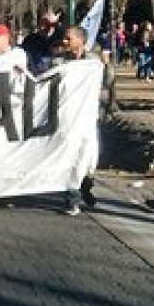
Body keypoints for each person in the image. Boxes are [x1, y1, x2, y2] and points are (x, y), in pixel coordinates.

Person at [56, 26, 99, 216]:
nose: (64, 42)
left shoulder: (93, 62)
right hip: (67, 118)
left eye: (68, 39)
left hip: (87, 119)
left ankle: (84, 188)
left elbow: (107, 81)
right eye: (64, 39)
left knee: (87, 159)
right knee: (70, 157)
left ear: (81, 40)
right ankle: (72, 199)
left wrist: (105, 68)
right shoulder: (59, 61)